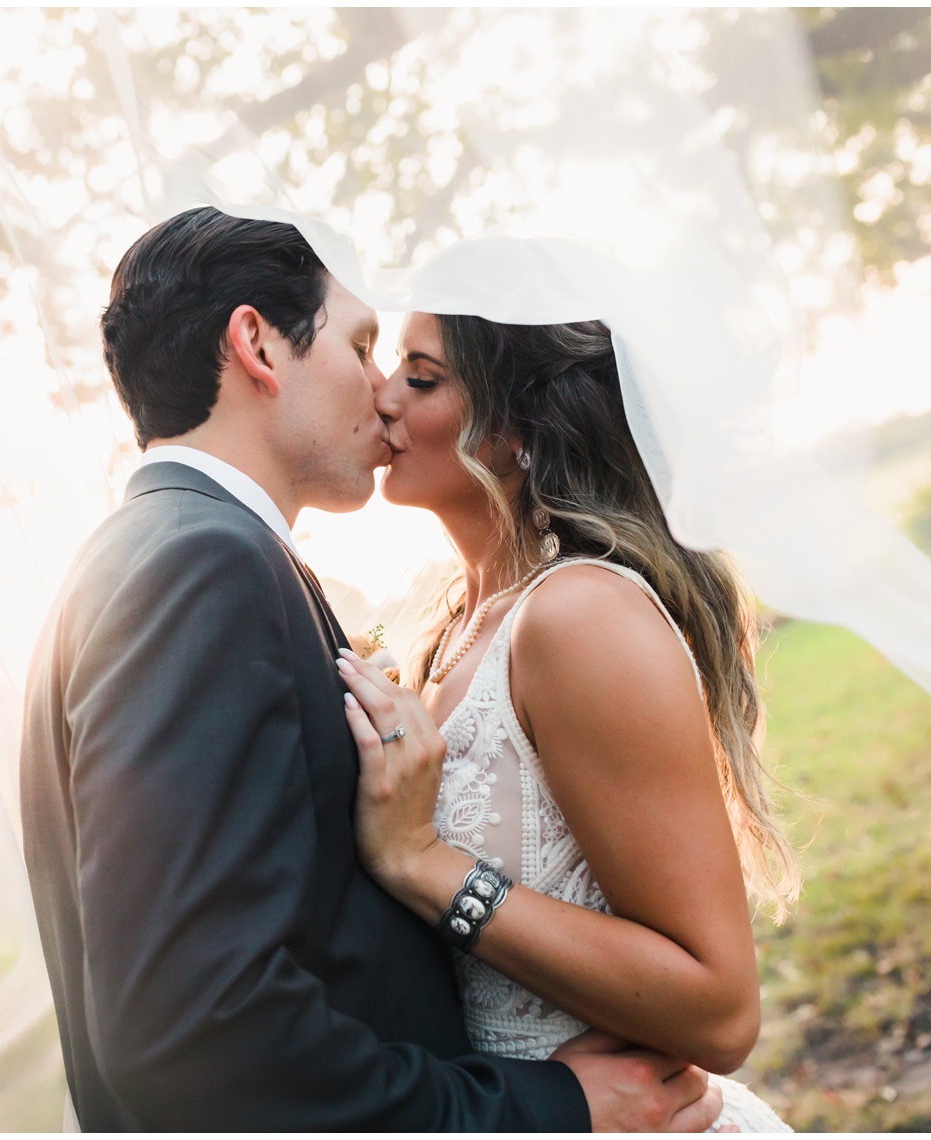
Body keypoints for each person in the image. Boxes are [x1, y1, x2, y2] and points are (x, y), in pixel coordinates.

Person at [20, 206, 725, 1130]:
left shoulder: (150, 556)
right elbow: (192, 1028)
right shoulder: (205, 566)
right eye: (360, 348)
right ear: (258, 347)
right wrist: (539, 1110)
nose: (379, 392)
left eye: (410, 370)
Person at [334, 312, 796, 1131]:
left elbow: (721, 1009)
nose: (383, 394)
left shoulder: (579, 617)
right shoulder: (452, 630)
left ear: (519, 430)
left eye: (423, 376)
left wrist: (424, 864)